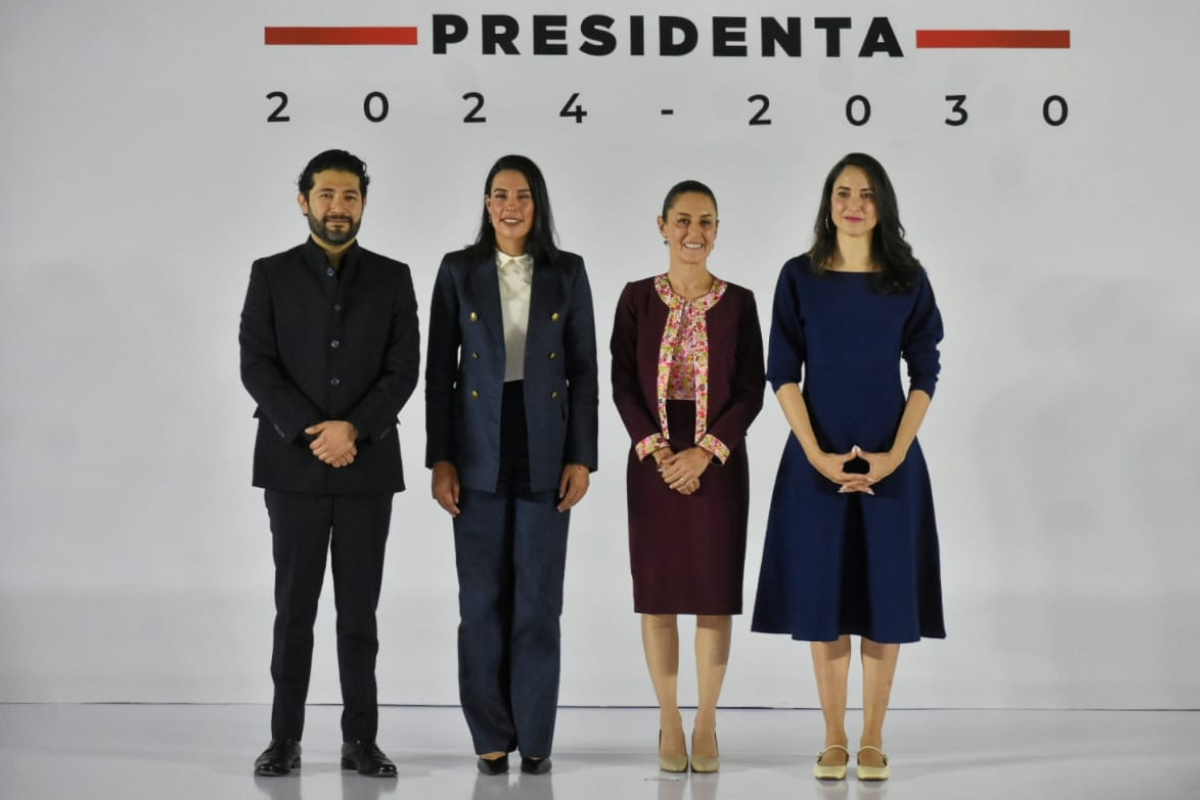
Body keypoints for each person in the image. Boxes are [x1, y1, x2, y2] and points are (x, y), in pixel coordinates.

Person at [751, 153, 946, 782]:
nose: (853, 204)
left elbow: (925, 370)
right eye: (842, 193)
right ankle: (833, 736)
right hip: (816, 458)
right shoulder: (798, 277)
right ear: (827, 204)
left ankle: (872, 738)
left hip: (893, 464)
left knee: (884, 603)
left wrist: (894, 455)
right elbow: (782, 370)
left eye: (865, 193)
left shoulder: (907, 278)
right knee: (825, 600)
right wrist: (814, 454)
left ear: (882, 203)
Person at [239, 149, 420, 778]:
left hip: (367, 465)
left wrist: (355, 429)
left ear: (364, 203)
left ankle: (359, 741)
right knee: (293, 609)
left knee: (359, 613)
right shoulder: (270, 274)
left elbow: (404, 371)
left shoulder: (394, 277)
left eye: (349, 196)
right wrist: (314, 431)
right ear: (304, 201)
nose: (337, 207)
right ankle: (283, 739)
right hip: (293, 465)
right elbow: (255, 365)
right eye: (326, 195)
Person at [425, 154, 598, 776]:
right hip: (477, 443)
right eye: (499, 194)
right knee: (482, 600)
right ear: (486, 203)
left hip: (545, 444)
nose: (510, 206)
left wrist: (583, 457)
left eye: (522, 195)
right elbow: (438, 372)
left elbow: (584, 372)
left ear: (538, 203)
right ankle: (489, 736)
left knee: (538, 602)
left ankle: (536, 735)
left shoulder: (567, 272)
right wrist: (439, 459)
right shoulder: (458, 270)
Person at [610, 180, 765, 773]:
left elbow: (752, 390)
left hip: (719, 462)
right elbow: (622, 381)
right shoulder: (635, 299)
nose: (693, 233)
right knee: (659, 597)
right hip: (652, 459)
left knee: (712, 595)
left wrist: (706, 452)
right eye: (682, 220)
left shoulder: (741, 302)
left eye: (705, 222)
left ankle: (707, 719)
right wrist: (657, 451)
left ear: (718, 229)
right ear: (661, 225)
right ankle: (670, 717)